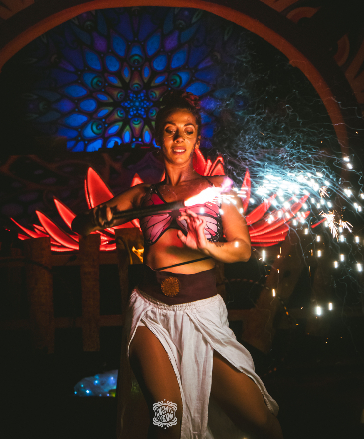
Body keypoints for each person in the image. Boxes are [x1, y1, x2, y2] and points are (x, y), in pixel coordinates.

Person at [72, 90, 283, 439]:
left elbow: (243, 250)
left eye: (188, 130)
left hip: (202, 313)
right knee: (167, 417)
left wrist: (207, 246)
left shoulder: (218, 189)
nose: (179, 137)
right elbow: (79, 225)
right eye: (170, 130)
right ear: (159, 138)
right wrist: (97, 217)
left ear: (197, 139)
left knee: (258, 420)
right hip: (150, 313)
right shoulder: (142, 196)